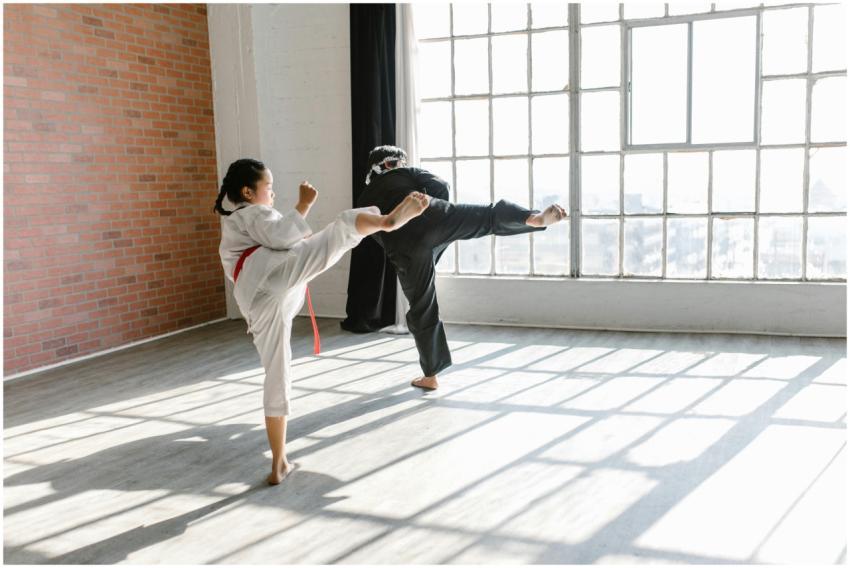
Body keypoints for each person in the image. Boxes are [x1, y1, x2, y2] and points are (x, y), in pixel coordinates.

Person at [214, 158, 428, 484]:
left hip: (257, 300)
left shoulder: (232, 226)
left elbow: (277, 242)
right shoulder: (250, 213)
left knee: (277, 370)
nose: (272, 195)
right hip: (273, 277)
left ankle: (279, 462)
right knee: (342, 225)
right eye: (268, 188)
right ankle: (385, 222)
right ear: (247, 191)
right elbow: (283, 236)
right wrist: (303, 204)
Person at [357, 145, 567, 391]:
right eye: (398, 163)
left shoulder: (364, 198)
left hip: (404, 247)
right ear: (390, 164)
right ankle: (533, 218)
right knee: (487, 217)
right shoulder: (405, 173)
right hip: (435, 216)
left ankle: (431, 375)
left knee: (423, 305)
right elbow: (441, 186)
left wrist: (404, 253)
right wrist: (440, 218)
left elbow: (373, 231)